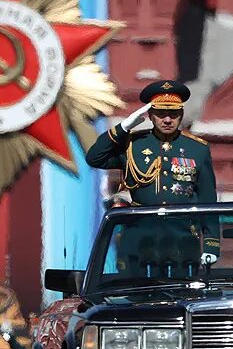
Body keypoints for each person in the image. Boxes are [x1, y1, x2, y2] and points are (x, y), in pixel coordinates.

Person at [86, 80, 219, 266]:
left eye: (173, 113)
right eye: (161, 113)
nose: (167, 119)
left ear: (181, 114)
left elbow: (208, 200)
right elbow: (94, 158)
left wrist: (212, 245)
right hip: (139, 240)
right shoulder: (133, 144)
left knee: (182, 293)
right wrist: (123, 127)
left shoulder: (197, 149)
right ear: (149, 115)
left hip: (182, 241)